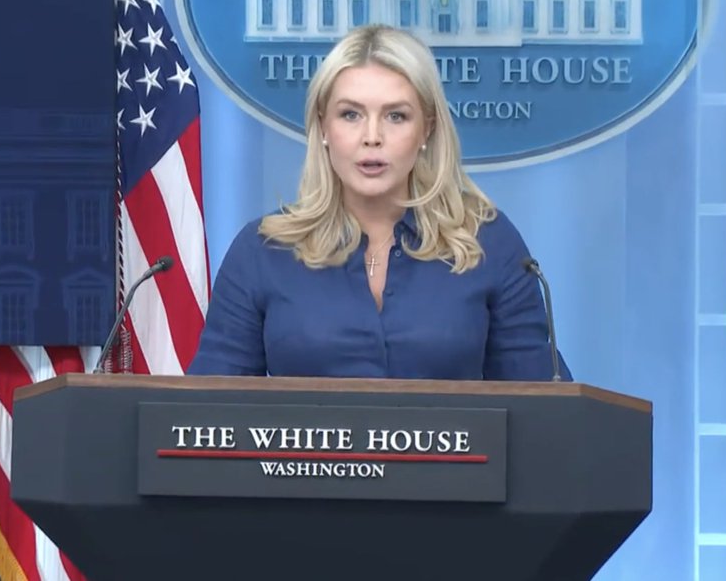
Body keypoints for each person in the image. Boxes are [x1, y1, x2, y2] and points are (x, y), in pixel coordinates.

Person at [187, 24, 571, 382]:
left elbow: (545, 406)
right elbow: (207, 409)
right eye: (350, 114)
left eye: (396, 116)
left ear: (427, 129)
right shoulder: (262, 251)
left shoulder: (486, 241)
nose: (372, 136)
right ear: (323, 127)